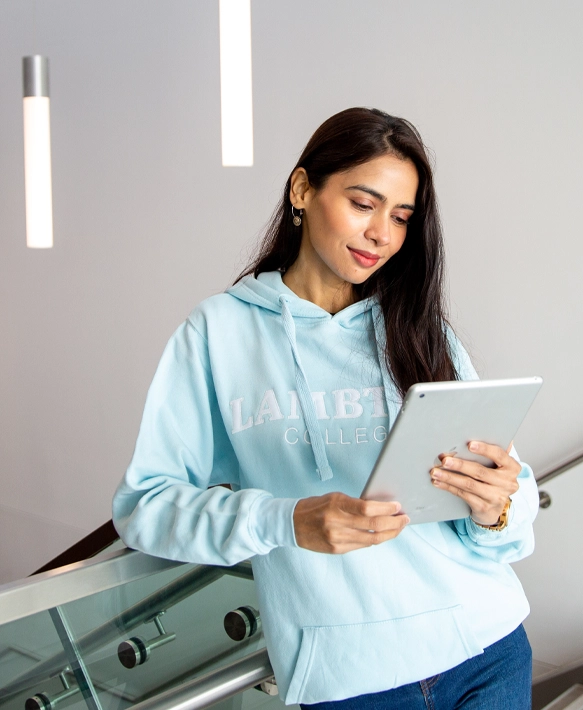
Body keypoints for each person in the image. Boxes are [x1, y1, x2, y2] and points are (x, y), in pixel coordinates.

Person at [112, 107, 539, 709]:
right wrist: (286, 520)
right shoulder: (217, 333)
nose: (382, 235)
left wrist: (500, 507)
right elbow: (146, 509)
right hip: (350, 683)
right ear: (303, 189)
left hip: (486, 647)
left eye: (400, 217)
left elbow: (508, 511)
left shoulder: (421, 331)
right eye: (364, 204)